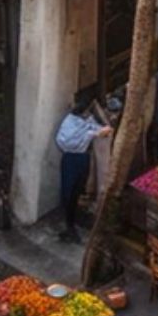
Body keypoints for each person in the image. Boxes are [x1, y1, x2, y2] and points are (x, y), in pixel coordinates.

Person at [54, 96, 112, 243]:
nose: (88, 114)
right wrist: (92, 134)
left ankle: (71, 223)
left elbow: (101, 130)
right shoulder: (70, 122)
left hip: (82, 158)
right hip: (71, 159)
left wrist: (99, 130)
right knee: (68, 192)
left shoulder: (86, 121)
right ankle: (69, 224)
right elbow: (65, 141)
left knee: (77, 190)